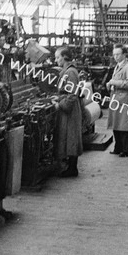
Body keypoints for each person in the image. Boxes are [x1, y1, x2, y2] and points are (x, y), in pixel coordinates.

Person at [52, 47, 83, 177]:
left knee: (71, 137)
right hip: (67, 108)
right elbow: (65, 91)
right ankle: (69, 166)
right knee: (67, 137)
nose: (56, 60)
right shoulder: (66, 71)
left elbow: (72, 95)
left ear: (64, 57)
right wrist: (58, 98)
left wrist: (60, 105)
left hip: (69, 110)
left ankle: (72, 169)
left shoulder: (70, 72)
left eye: (57, 57)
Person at [107, 44, 128, 157]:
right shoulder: (117, 66)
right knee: (116, 125)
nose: (116, 57)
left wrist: (114, 82)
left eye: (118, 54)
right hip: (117, 99)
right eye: (114, 54)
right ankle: (118, 147)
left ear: (124, 54)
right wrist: (110, 84)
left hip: (125, 100)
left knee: (124, 126)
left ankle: (127, 150)